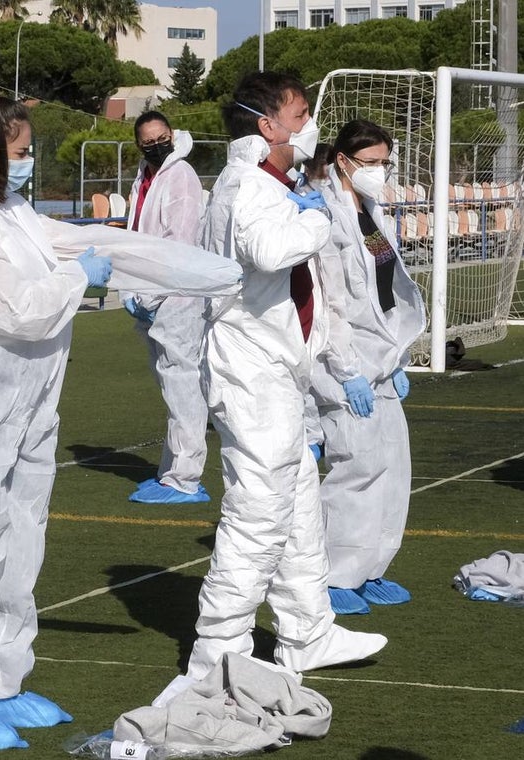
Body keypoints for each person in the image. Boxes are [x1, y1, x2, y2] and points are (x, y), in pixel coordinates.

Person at [0, 76, 243, 751]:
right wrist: (75, 277)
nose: (31, 162)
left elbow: (94, 244)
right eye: (23, 150)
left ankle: (4, 678)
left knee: (23, 538)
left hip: (31, 399)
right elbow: (16, 307)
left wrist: (211, 271)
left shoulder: (9, 213)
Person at [186, 71, 388, 680]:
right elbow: (273, 253)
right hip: (250, 375)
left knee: (299, 509)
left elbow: (298, 292)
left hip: (275, 370)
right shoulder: (248, 186)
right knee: (258, 516)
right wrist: (318, 218)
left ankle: (307, 634)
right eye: (300, 116)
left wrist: (337, 360)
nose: (309, 127)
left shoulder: (274, 183)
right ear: (266, 125)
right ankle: (218, 656)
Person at [309, 120, 425, 615]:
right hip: (345, 359)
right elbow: (331, 301)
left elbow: (386, 292)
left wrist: (394, 356)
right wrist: (347, 368)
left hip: (380, 356)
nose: (379, 171)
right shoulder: (326, 214)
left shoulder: (372, 212)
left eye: (384, 163)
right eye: (370, 163)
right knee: (356, 466)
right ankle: (336, 575)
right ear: (343, 160)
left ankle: (371, 566)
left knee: (393, 465)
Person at [121, 111, 210, 505]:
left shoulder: (181, 176)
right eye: (148, 141)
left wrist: (152, 294)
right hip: (151, 293)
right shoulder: (144, 178)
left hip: (177, 296)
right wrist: (131, 287)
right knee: (170, 384)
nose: (156, 145)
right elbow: (137, 231)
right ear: (139, 145)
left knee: (183, 385)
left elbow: (181, 240)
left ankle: (186, 475)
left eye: (162, 137)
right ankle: (172, 469)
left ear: (171, 136)